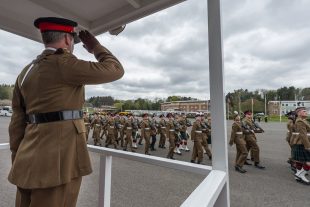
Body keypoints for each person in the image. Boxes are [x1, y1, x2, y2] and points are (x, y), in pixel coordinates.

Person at [8, 17, 124, 207]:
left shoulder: (26, 71)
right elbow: (115, 69)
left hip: (27, 158)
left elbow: (17, 122)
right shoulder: (65, 64)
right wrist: (96, 47)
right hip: (59, 163)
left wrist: (18, 158)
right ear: (68, 39)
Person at [291, 107, 310, 184]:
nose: (306, 112)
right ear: (299, 113)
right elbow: (303, 135)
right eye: (304, 111)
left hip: (301, 143)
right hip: (303, 143)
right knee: (308, 162)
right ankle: (299, 174)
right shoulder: (300, 121)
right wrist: (308, 146)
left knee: (300, 161)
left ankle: (298, 176)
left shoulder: (303, 120)